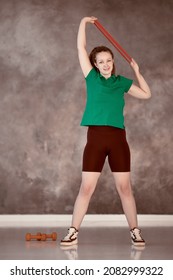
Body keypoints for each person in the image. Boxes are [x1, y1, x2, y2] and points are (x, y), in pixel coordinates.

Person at [60, 16, 151, 247]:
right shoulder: (92, 78)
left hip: (118, 139)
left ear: (113, 62)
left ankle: (135, 231)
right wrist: (83, 22)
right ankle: (73, 231)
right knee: (87, 187)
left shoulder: (121, 82)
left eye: (108, 60)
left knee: (124, 188)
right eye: (101, 61)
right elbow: (80, 46)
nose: (106, 64)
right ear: (95, 64)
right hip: (96, 138)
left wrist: (137, 71)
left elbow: (146, 94)